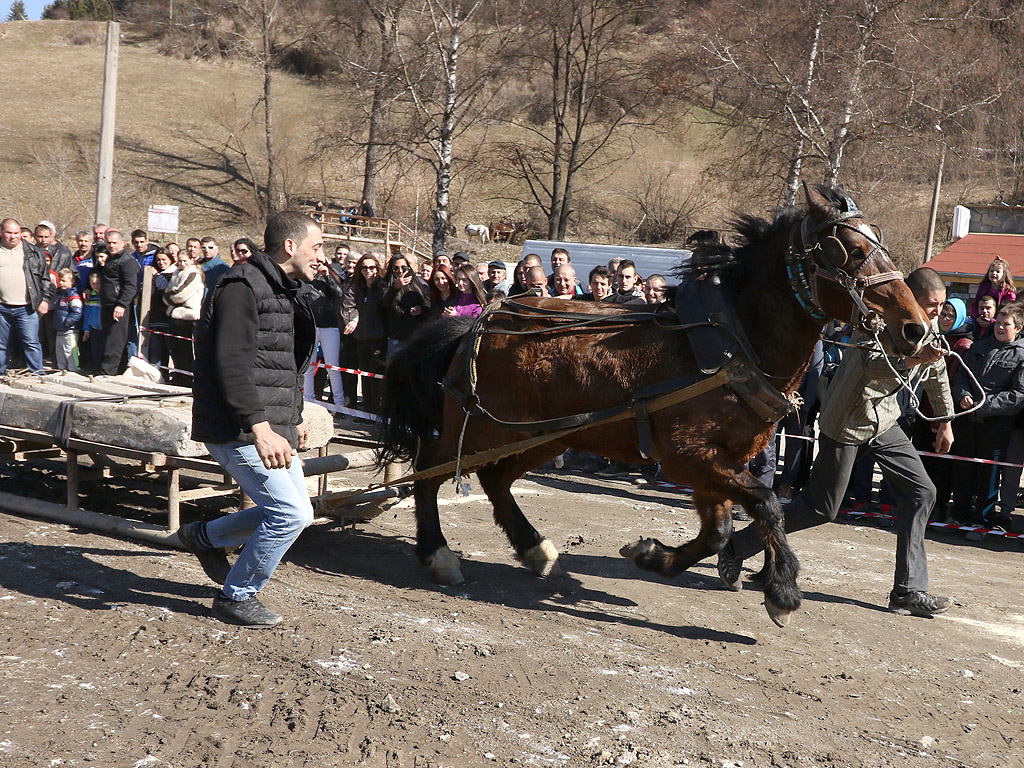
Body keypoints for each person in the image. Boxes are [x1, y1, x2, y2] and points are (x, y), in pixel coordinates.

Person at [718, 267, 956, 617]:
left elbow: (936, 374)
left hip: (884, 420)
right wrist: (911, 359)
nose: (937, 311)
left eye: (941, 305)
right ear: (912, 297)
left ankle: (908, 591)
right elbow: (872, 366)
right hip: (846, 420)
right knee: (819, 508)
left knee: (923, 492)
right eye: (931, 304)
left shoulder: (929, 328)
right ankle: (736, 547)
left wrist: (945, 422)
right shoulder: (873, 321)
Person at [181, 210, 324, 627]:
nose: (322, 256)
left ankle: (204, 536)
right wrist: (261, 428)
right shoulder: (241, 286)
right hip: (238, 427)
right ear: (290, 246)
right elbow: (232, 365)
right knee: (289, 515)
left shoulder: (283, 287)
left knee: (299, 512)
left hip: (268, 422)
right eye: (317, 247)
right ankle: (236, 596)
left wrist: (291, 417)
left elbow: (282, 364)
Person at [950, 302, 1024, 538]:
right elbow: (961, 375)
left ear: (1019, 328)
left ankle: (982, 521)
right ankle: (958, 515)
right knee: (962, 469)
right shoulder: (978, 347)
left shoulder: (1021, 356)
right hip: (967, 420)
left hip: (996, 425)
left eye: (1006, 324)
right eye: (998, 323)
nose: (1000, 327)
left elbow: (1018, 394)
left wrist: (984, 405)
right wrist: (963, 395)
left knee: (989, 476)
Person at [0, 217, 52, 375]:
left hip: (27, 307)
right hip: (2, 307)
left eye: (16, 233)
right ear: (1, 232)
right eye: (9, 232)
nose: (13, 236)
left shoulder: (33, 252)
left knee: (31, 342)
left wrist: (45, 300)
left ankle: (37, 374)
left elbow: (45, 279)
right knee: (1, 344)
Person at [301, 252, 345, 407]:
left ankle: (339, 404)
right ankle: (308, 400)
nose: (316, 265)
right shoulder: (305, 277)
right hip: (310, 325)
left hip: (329, 327)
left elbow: (339, 293)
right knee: (308, 366)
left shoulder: (331, 276)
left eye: (319, 262)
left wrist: (327, 276)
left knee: (333, 367)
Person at [97, 229, 140, 375]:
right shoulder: (111, 259)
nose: (111, 245)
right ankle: (114, 370)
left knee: (114, 342)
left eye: (114, 243)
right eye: (108, 243)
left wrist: (121, 304)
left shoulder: (128, 261)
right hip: (108, 304)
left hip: (119, 305)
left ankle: (107, 372)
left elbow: (130, 286)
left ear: (123, 243)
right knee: (108, 338)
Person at [163, 248, 204, 385]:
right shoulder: (177, 273)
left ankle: (187, 377)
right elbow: (168, 292)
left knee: (185, 350)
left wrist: (170, 298)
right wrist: (170, 297)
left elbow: (180, 294)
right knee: (175, 350)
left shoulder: (194, 274)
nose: (182, 263)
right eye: (179, 261)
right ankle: (179, 374)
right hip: (175, 315)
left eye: (185, 261)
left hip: (188, 316)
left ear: (191, 260)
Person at [352, 252, 387, 414]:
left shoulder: (382, 287)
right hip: (361, 338)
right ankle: (366, 410)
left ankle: (376, 410)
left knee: (375, 376)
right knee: (364, 375)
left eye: (372, 267)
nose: (368, 271)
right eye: (364, 268)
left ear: (377, 269)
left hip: (378, 339)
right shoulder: (359, 288)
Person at [146, 250, 176, 372]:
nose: (161, 262)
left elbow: (166, 288)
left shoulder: (174, 273)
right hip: (155, 317)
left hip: (168, 318)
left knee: (171, 350)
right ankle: (157, 375)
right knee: (155, 352)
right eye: (159, 260)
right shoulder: (153, 273)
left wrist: (157, 276)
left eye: (164, 259)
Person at [52, 268, 82, 372]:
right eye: (60, 280)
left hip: (70, 330)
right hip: (59, 329)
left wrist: (67, 323)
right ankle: (62, 369)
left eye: (64, 280)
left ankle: (74, 369)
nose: (61, 283)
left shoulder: (73, 295)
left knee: (70, 351)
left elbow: (77, 312)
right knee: (60, 351)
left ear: (72, 281)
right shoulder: (60, 294)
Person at [968, 256, 1016, 320]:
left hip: (998, 321)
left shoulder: (1008, 291)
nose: (994, 273)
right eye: (992, 271)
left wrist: (993, 320)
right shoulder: (983, 287)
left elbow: (1008, 309)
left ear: (1004, 274)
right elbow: (975, 304)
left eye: (997, 271)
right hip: (980, 318)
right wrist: (977, 317)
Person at [80, 271, 103, 372]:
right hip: (93, 328)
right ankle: (95, 369)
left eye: (98, 283)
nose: (96, 286)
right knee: (94, 350)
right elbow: (87, 313)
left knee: (103, 350)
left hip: (103, 328)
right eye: (93, 284)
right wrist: (86, 330)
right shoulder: (90, 297)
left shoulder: (104, 296)